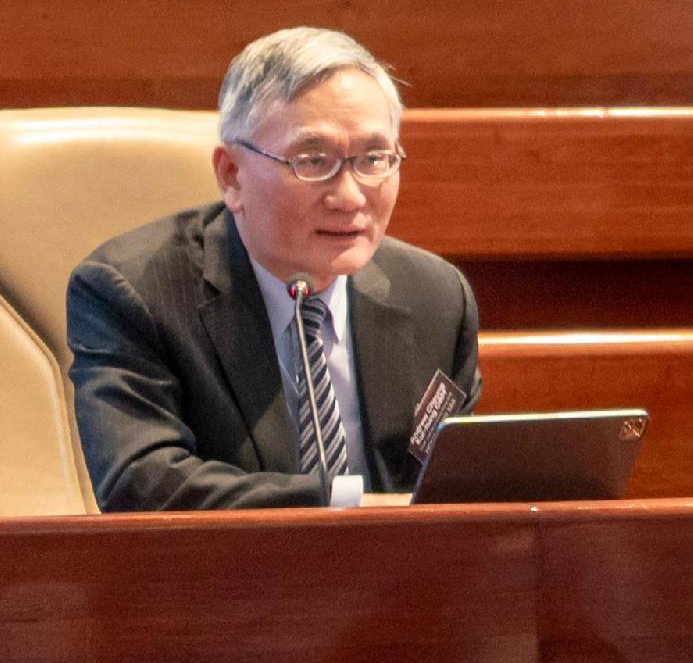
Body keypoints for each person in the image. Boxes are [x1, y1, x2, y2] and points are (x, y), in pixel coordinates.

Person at [69, 27, 483, 510]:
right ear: (232, 175)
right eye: (313, 161)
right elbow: (143, 485)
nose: (350, 197)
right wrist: (349, 503)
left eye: (374, 159)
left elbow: (454, 482)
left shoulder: (436, 297)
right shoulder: (137, 292)